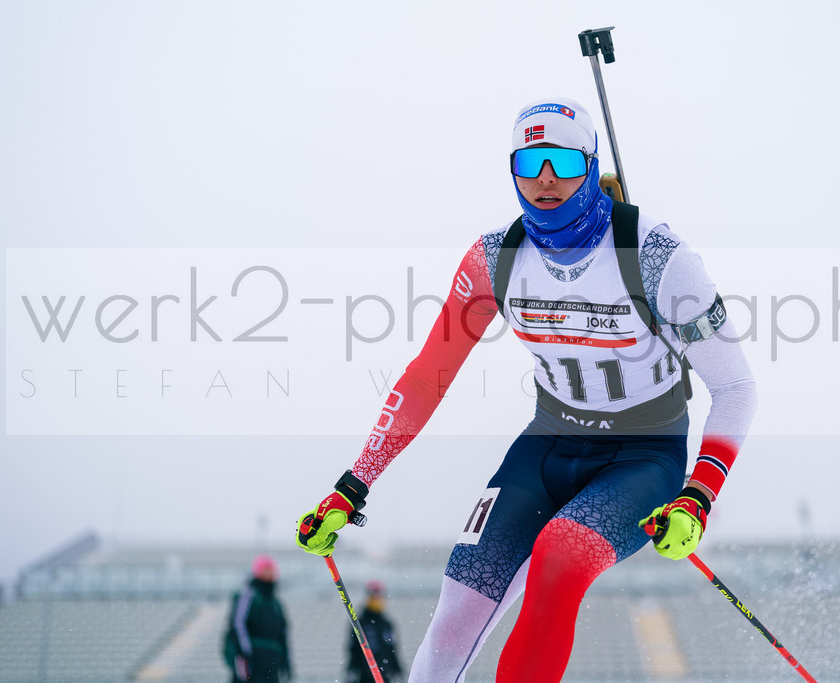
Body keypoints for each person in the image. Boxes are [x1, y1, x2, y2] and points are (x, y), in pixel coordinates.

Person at [297, 97, 757, 681]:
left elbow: (736, 386)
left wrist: (699, 495)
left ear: (590, 166)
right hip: (546, 447)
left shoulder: (659, 256)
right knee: (458, 610)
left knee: (560, 557)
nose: (545, 179)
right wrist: (351, 486)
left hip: (643, 456)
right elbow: (425, 378)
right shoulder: (494, 259)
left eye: (563, 162)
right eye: (530, 161)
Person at [223, 554, 291, 683]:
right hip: (252, 664)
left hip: (271, 664)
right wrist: (245, 655)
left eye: (272, 570)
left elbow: (283, 634)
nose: (270, 573)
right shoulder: (248, 596)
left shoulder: (275, 604)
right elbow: (237, 624)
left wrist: (285, 661)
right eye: (266, 569)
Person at [346, 580, 404, 683]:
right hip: (364, 677)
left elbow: (392, 649)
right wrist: (352, 670)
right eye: (374, 597)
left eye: (379, 597)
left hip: (384, 677)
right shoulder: (360, 623)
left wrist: (397, 670)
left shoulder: (387, 624)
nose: (377, 601)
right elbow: (353, 649)